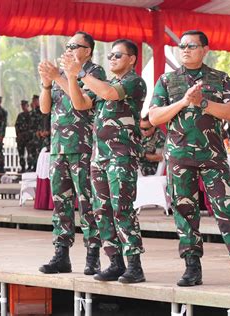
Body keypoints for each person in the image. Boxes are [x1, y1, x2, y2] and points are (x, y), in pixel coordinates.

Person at [149, 30, 230, 288]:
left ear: (205, 50)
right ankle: (192, 267)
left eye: (192, 45)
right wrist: (183, 102)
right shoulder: (167, 80)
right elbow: (155, 117)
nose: (186, 49)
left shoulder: (219, 78)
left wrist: (202, 104)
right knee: (184, 211)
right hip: (179, 156)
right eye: (182, 46)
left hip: (212, 155)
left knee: (226, 208)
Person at [61, 38, 147, 283]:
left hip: (122, 155)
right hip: (99, 157)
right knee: (102, 210)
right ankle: (114, 262)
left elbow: (110, 94)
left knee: (123, 209)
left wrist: (81, 72)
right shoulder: (104, 83)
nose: (112, 59)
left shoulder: (133, 81)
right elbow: (81, 103)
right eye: (110, 55)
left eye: (118, 55)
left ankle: (134, 265)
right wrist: (70, 76)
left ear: (131, 59)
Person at [37, 31, 104, 276]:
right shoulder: (60, 76)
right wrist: (47, 82)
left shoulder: (94, 73)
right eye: (67, 45)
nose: (69, 49)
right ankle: (61, 255)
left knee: (88, 204)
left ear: (87, 50)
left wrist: (60, 76)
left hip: (83, 148)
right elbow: (45, 108)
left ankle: (93, 255)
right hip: (59, 149)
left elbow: (81, 102)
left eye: (75, 45)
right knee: (61, 205)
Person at [15, 100, 32, 173]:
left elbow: (32, 126)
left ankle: (30, 167)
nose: (23, 107)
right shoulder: (20, 115)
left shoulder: (31, 115)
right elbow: (16, 126)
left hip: (28, 137)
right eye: (22, 105)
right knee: (21, 153)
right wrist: (18, 135)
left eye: (24, 105)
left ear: (27, 106)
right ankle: (22, 167)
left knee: (30, 153)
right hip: (21, 137)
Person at [28, 94, 44, 170]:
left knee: (39, 152)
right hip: (31, 136)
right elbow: (28, 125)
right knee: (31, 152)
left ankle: (37, 168)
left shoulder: (42, 111)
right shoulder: (31, 113)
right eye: (33, 101)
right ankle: (32, 166)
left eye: (35, 100)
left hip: (40, 136)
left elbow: (43, 123)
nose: (34, 102)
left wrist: (41, 131)